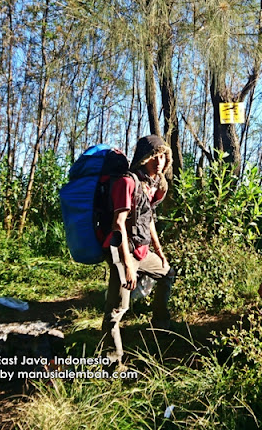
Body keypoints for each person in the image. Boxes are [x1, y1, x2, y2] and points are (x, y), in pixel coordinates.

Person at [101, 135, 175, 367]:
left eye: (163, 156)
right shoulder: (127, 182)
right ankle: (112, 364)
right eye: (154, 156)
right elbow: (118, 224)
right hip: (122, 252)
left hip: (142, 251)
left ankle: (160, 325)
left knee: (167, 274)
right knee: (117, 310)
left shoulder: (150, 184)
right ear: (143, 158)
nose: (159, 161)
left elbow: (148, 218)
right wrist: (128, 266)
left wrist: (159, 251)